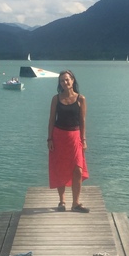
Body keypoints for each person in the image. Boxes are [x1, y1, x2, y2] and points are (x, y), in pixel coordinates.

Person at [47, 70, 89, 212]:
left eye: (67, 79)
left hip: (75, 137)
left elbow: (82, 121)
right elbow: (51, 120)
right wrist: (49, 139)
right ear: (60, 84)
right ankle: (62, 201)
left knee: (78, 169)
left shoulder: (81, 99)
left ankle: (75, 203)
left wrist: (83, 139)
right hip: (58, 137)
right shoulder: (56, 99)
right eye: (62, 81)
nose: (65, 82)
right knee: (60, 168)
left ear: (72, 80)